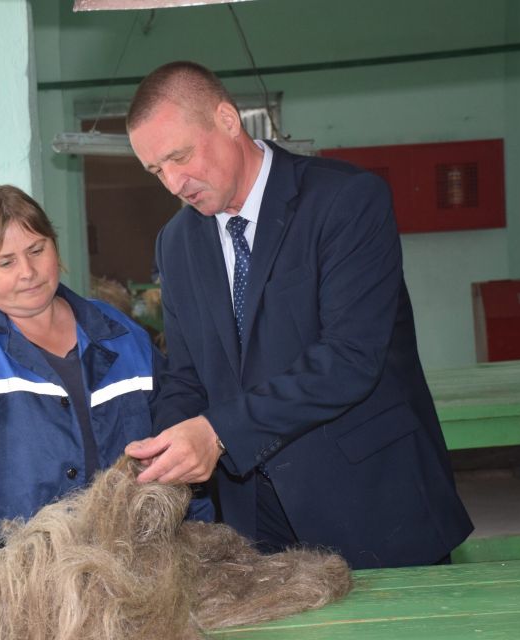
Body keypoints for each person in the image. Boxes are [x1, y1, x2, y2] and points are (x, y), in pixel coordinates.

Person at [123, 61, 472, 569]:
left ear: (227, 120)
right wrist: (171, 445)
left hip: (369, 504)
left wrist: (216, 433)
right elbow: (186, 374)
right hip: (252, 521)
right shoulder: (176, 244)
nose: (174, 182)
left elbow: (349, 359)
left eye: (180, 156)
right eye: (157, 170)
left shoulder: (344, 201)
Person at [0, 185, 210, 615]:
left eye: (37, 250)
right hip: (16, 586)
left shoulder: (121, 335)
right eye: (5, 262)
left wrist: (203, 537)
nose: (28, 271)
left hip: (135, 575)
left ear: (55, 246)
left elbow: (176, 443)